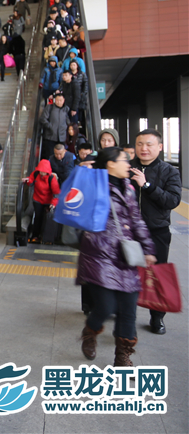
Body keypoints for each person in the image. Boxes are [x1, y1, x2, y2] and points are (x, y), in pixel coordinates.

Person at [77, 147, 156, 368]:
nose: (128, 163)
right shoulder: (94, 186)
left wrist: (148, 248)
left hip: (125, 255)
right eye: (124, 159)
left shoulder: (128, 188)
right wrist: (80, 175)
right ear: (110, 164)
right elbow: (70, 201)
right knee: (105, 306)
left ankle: (122, 357)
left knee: (128, 309)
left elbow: (137, 220)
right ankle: (90, 330)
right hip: (99, 256)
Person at [129, 130, 181, 335]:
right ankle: (126, 316)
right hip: (129, 232)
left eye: (149, 144)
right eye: (140, 144)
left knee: (156, 274)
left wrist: (147, 186)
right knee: (127, 273)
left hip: (157, 231)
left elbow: (173, 200)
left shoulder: (169, 171)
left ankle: (157, 318)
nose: (143, 148)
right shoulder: (125, 168)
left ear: (159, 147)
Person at [23, 159, 60, 244]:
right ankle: (35, 236)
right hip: (38, 200)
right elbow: (31, 180)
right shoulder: (36, 173)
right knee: (37, 217)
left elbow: (56, 193)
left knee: (46, 219)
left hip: (48, 201)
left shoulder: (52, 179)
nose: (42, 173)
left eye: (44, 172)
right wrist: (28, 180)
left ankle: (46, 237)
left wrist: (54, 203)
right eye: (40, 171)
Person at [39, 93, 70, 159]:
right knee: (50, 155)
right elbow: (43, 119)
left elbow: (67, 120)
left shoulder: (66, 109)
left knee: (61, 156)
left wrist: (66, 127)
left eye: (61, 100)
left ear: (64, 100)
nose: (59, 102)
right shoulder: (49, 107)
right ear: (54, 100)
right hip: (50, 136)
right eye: (57, 100)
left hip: (61, 137)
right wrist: (50, 126)